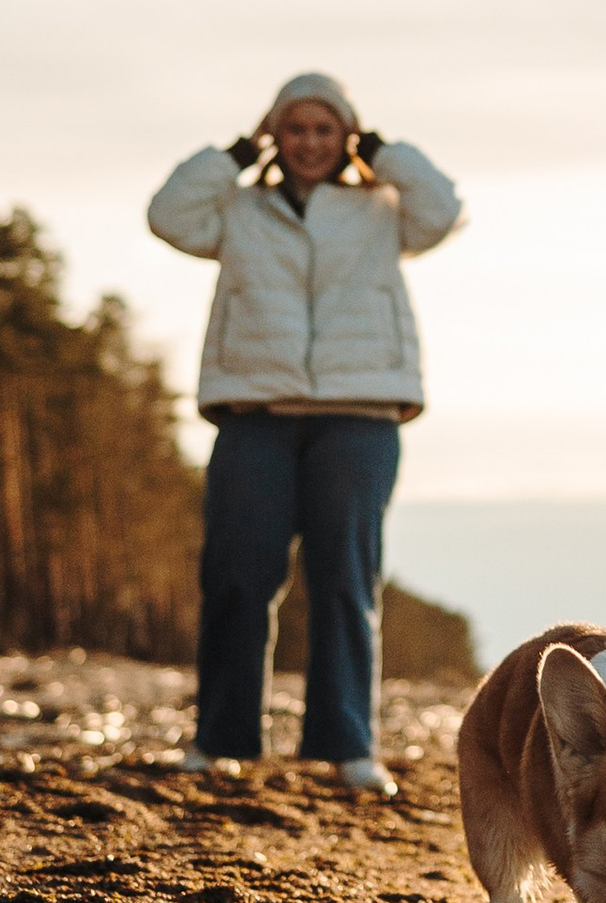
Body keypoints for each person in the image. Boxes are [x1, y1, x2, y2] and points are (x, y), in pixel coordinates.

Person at [147, 72, 464, 790]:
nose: (311, 143)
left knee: (346, 580)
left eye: (327, 129)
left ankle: (347, 744)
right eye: (295, 128)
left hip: (361, 411)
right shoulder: (237, 207)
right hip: (255, 412)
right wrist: (236, 152)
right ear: (275, 133)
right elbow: (167, 214)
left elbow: (442, 208)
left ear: (346, 135)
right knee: (236, 576)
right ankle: (221, 738)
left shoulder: (383, 207)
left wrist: (381, 151)